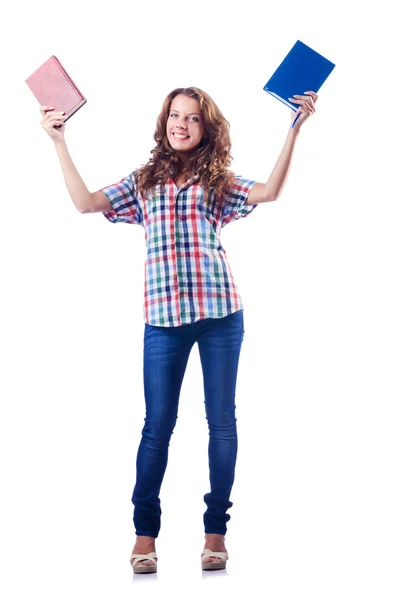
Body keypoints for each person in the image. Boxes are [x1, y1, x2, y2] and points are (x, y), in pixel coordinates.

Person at [40, 86, 317, 573]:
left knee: (222, 422)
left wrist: (296, 126)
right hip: (163, 321)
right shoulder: (143, 182)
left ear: (206, 127)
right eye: (174, 116)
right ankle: (144, 536)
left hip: (220, 315)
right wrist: (59, 141)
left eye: (191, 117)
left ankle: (216, 534)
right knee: (157, 427)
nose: (181, 124)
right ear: (164, 123)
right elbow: (85, 203)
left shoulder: (219, 181)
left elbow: (269, 192)